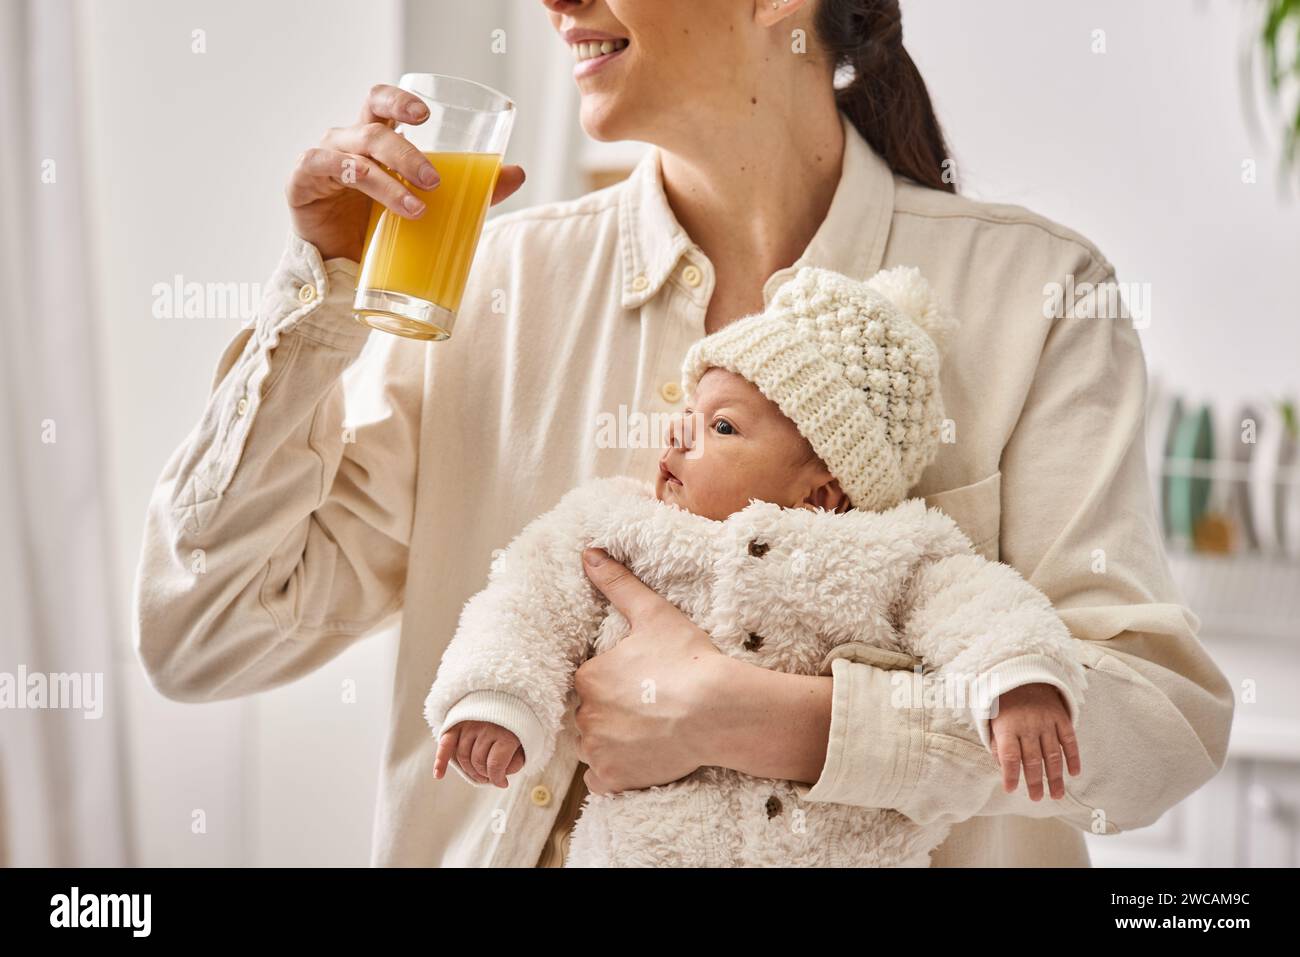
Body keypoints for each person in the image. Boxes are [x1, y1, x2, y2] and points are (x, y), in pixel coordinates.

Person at [132, 0, 1234, 867]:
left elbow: (1157, 733)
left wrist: (759, 718)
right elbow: (208, 633)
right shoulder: (490, 287)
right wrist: (323, 290)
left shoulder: (1035, 295)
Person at [422, 264, 1090, 867]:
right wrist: (497, 700)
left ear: (822, 490)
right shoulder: (621, 527)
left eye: (722, 427)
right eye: (688, 413)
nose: (680, 431)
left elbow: (979, 604)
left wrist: (1018, 680)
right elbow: (526, 601)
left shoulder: (889, 550)